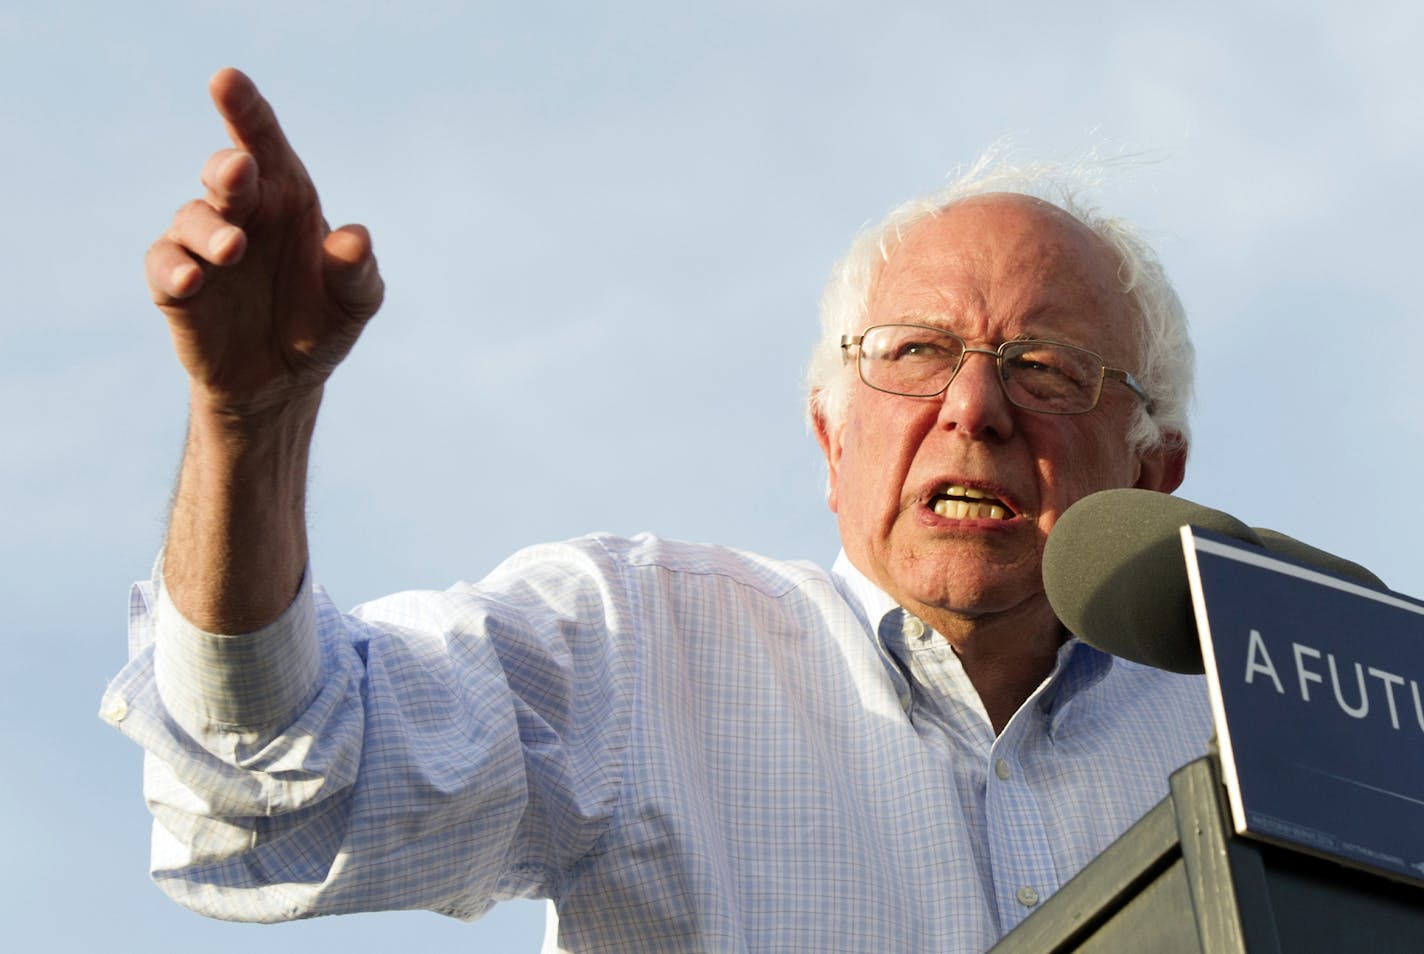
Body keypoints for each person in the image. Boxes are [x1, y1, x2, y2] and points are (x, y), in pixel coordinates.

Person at [102, 68, 1211, 953]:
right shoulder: (637, 648)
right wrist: (248, 429)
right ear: (830, 440)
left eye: (1045, 367)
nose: (973, 408)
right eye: (913, 354)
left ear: (1152, 469)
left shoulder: (1251, 724)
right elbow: (275, 779)